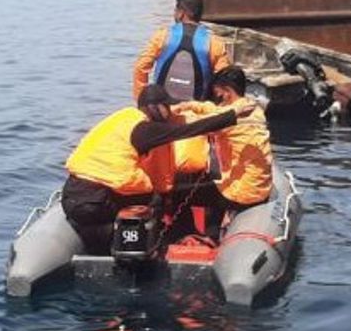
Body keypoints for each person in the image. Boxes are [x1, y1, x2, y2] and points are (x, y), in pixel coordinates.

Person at [61, 84, 255, 254]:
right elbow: (190, 130)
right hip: (98, 203)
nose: (169, 112)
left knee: (147, 192)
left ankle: (106, 238)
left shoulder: (124, 118)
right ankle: (162, 243)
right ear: (153, 108)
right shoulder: (145, 129)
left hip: (72, 195)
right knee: (157, 199)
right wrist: (233, 114)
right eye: (166, 107)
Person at [172, 66, 274, 230]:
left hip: (241, 193)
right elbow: (216, 111)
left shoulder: (227, 120)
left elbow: (196, 124)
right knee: (215, 183)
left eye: (218, 94)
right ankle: (213, 232)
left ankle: (186, 233)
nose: (217, 98)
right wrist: (190, 105)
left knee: (173, 195)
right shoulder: (253, 108)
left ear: (227, 91)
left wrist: (168, 115)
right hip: (258, 188)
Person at [133, 0, 231, 102]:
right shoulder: (214, 42)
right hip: (196, 110)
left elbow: (140, 67)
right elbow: (225, 80)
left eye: (175, 11)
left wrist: (141, 100)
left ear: (181, 13)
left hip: (163, 109)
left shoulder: (162, 36)